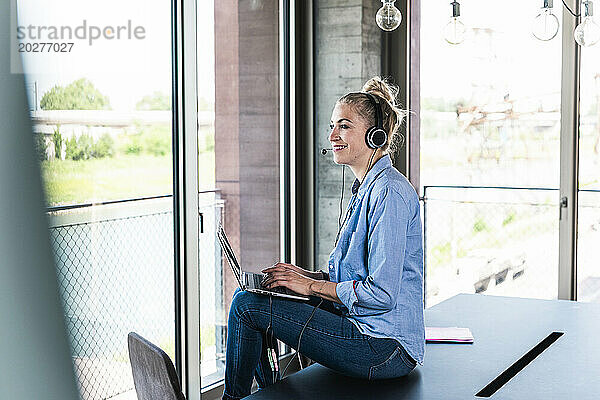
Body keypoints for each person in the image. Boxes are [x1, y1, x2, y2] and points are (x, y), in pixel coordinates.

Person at [222, 76, 424, 400]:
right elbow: (352, 276)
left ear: (375, 136)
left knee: (247, 307)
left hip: (383, 348)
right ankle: (269, 394)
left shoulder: (390, 193)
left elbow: (382, 294)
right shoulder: (366, 191)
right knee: (251, 299)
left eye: (344, 126)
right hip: (363, 329)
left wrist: (311, 288)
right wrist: (301, 278)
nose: (332, 136)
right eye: (333, 126)